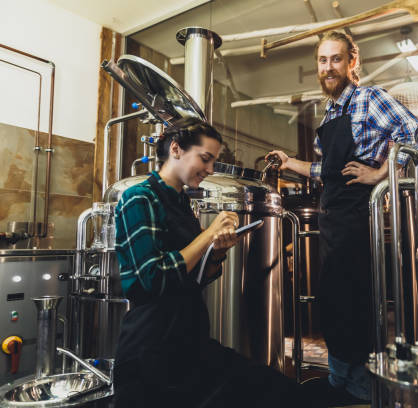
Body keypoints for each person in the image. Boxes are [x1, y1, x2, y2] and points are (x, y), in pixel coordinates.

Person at [113, 117, 316, 408]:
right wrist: (207, 235)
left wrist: (218, 251)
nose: (210, 170)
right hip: (151, 355)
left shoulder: (183, 203)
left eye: (213, 161)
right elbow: (152, 278)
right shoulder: (138, 198)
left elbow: (198, 278)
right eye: (205, 159)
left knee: (279, 390)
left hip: (189, 344)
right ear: (176, 149)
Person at [267, 31, 418, 405]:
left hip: (358, 212)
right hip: (332, 212)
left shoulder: (370, 98)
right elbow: (327, 170)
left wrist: (381, 172)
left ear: (353, 62)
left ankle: (361, 385)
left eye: (336, 59)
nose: (328, 67)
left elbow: (414, 134)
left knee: (355, 300)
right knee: (334, 299)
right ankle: (341, 380)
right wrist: (290, 163)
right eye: (322, 60)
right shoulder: (332, 110)